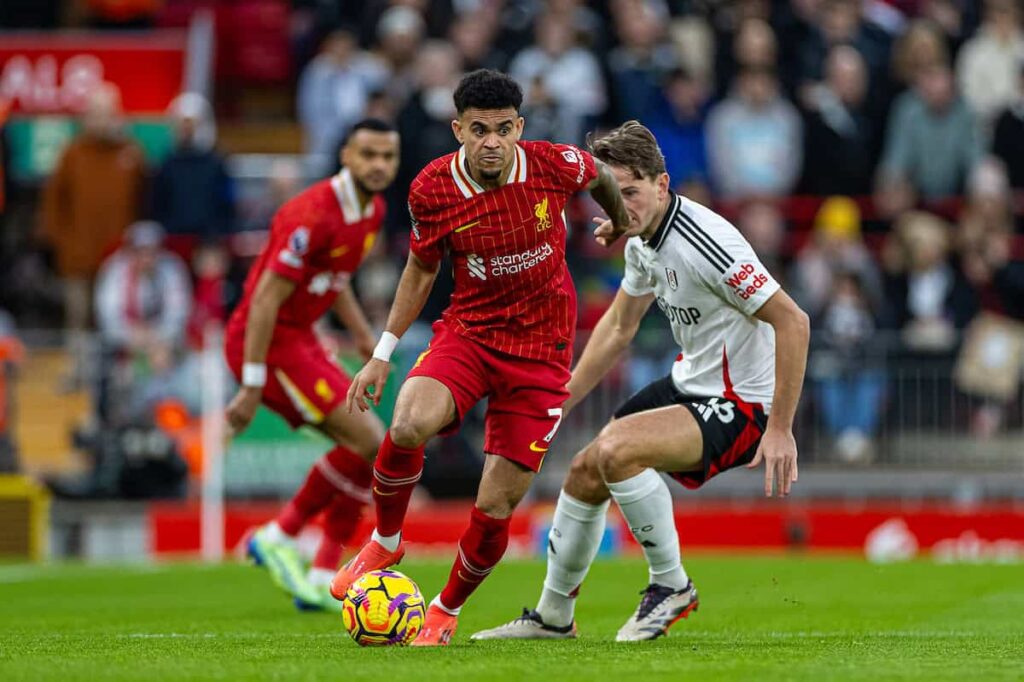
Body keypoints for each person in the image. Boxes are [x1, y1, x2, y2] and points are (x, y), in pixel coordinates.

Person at [471, 121, 808, 642]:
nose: (619, 205)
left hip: (744, 403)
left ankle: (671, 586)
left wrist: (781, 428)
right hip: (691, 382)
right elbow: (620, 326)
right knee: (585, 470)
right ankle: (554, 618)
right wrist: (558, 401)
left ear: (662, 184)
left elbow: (793, 321)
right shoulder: (640, 239)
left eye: (629, 191)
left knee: (618, 451)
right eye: (610, 194)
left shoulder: (706, 243)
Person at [331, 69, 634, 646]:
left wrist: (618, 220)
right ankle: (388, 542)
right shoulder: (431, 189)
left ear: (518, 128)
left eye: (502, 129)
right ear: (458, 130)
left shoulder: (551, 163)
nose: (491, 141)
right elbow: (422, 267)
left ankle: (444, 610)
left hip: (542, 353)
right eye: (478, 130)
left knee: (496, 502)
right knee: (407, 420)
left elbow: (598, 173)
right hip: (470, 332)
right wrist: (381, 354)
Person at [223, 120, 400, 612]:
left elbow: (334, 275)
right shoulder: (311, 214)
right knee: (370, 440)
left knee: (368, 448)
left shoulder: (372, 209)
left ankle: (323, 569)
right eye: (369, 154)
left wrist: (364, 335)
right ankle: (280, 535)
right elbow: (262, 300)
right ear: (345, 154)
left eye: (388, 156)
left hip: (299, 339)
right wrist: (252, 385)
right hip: (267, 343)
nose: (379, 165)